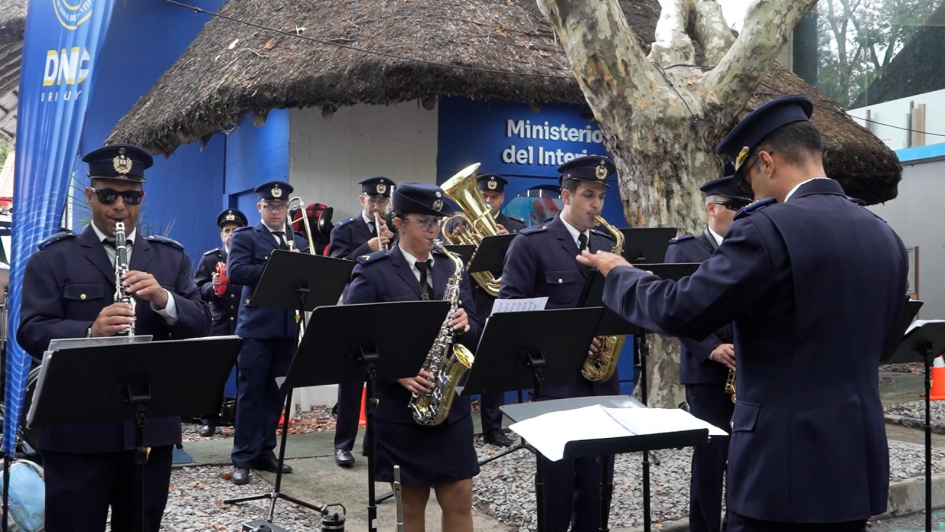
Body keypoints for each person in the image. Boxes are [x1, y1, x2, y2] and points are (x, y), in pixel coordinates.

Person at [578, 95, 908, 532]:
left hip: (781, 471)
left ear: (767, 162)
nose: (750, 195)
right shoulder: (884, 235)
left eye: (749, 180)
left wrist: (620, 273)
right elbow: (883, 343)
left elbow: (680, 310)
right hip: (854, 465)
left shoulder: (767, 228)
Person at [17, 144, 211, 532]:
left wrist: (163, 299)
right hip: (76, 430)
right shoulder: (53, 258)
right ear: (90, 196)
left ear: (142, 198)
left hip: (148, 426)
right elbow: (31, 329)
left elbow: (200, 323)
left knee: (141, 525)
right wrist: (89, 331)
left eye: (131, 196)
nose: (119, 206)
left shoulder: (170, 259)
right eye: (108, 195)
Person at [344, 182, 482, 532]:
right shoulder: (372, 270)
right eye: (424, 222)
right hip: (399, 407)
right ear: (398, 223)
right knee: (412, 503)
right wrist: (396, 371)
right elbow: (349, 335)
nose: (434, 231)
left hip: (449, 405)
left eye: (436, 222)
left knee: (460, 495)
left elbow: (477, 327)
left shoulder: (452, 267)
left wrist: (468, 323)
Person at [498, 155, 617, 532]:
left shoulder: (606, 244)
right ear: (565, 195)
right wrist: (571, 336)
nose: (596, 204)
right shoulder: (531, 243)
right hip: (556, 383)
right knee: (558, 483)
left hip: (601, 382)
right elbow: (510, 313)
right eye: (587, 195)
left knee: (599, 483)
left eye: (600, 196)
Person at [664, 173, 750, 532]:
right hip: (707, 373)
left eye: (745, 206)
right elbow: (674, 311)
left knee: (745, 459)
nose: (741, 213)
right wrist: (711, 348)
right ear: (711, 208)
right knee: (710, 460)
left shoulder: (750, 248)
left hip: (749, 369)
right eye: (734, 206)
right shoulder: (683, 250)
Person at [227, 180, 309, 485]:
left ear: (288, 208)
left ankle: (265, 451)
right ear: (260, 207)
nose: (276, 211)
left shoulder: (298, 240)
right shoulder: (246, 237)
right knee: (250, 394)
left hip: (288, 328)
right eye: (270, 206)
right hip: (257, 329)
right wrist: (280, 268)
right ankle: (243, 457)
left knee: (276, 394)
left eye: (281, 207)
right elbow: (236, 272)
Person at [449, 173, 524, 447]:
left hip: (498, 304)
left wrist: (511, 243)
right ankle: (461, 427)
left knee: (495, 366)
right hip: (469, 304)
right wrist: (459, 241)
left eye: (494, 197)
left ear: (502, 198)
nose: (489, 202)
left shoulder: (515, 228)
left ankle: (493, 428)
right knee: (465, 364)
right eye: (485, 197)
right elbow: (450, 264)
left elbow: (523, 269)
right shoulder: (459, 224)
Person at [327, 176, 396, 467]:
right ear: (362, 200)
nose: (378, 206)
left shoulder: (394, 226)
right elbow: (335, 269)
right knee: (352, 382)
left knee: (383, 382)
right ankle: (343, 444)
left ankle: (375, 442)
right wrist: (367, 246)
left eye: (382, 201)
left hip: (385, 309)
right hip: (355, 309)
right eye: (373, 200)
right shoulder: (344, 229)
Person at [193, 207, 249, 437]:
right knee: (214, 373)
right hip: (219, 323)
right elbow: (196, 290)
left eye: (236, 230)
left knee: (245, 374)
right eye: (227, 230)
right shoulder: (210, 259)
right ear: (221, 235)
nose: (231, 234)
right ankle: (209, 420)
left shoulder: (249, 256)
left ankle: (241, 419)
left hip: (245, 323)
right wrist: (211, 286)